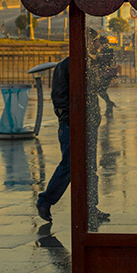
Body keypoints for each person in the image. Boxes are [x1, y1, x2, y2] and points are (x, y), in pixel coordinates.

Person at [37, 52, 108, 225]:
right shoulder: (67, 65)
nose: (98, 46)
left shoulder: (88, 64)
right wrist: (68, 119)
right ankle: (45, 201)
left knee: (89, 166)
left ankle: (91, 207)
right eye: (95, 41)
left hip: (88, 122)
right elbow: (59, 96)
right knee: (70, 164)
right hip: (72, 125)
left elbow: (95, 89)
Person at [93, 36, 118, 118]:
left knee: (101, 90)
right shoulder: (100, 51)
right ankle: (109, 105)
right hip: (103, 73)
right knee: (101, 90)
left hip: (107, 74)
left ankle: (109, 104)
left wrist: (100, 57)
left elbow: (109, 60)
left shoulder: (109, 50)